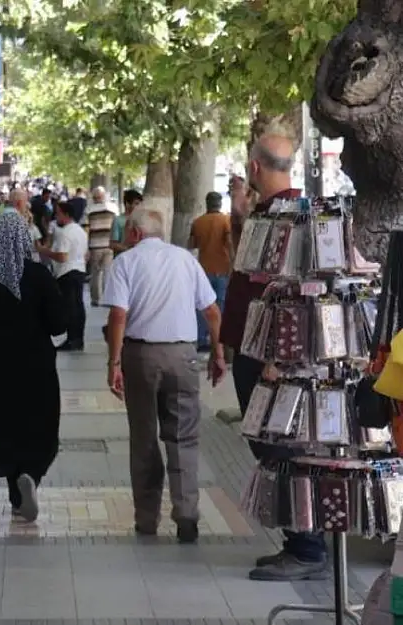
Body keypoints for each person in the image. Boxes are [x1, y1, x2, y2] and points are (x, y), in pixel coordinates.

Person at [221, 133, 328, 580]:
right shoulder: (268, 213)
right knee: (270, 449)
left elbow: (299, 288)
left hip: (272, 358)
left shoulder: (294, 216)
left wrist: (280, 356)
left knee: (282, 448)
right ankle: (298, 540)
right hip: (255, 350)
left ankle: (306, 547)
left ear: (255, 166)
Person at [103, 208, 225, 544]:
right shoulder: (185, 260)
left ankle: (147, 518)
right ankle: (187, 513)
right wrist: (217, 352)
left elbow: (118, 315)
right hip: (183, 355)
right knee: (184, 436)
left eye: (129, 230)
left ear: (136, 234)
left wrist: (113, 363)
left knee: (144, 437)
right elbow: (212, 311)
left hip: (140, 356)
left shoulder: (125, 263)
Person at [0, 211, 68, 520]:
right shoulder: (38, 275)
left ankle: (16, 495)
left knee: (4, 428)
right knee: (40, 425)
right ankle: (32, 473)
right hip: (35, 366)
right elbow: (57, 324)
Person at [37, 200, 88, 351]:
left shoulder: (66, 233)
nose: (56, 216)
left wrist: (44, 251)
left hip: (67, 272)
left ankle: (72, 339)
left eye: (58, 213)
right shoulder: (80, 230)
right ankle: (78, 338)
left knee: (70, 307)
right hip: (79, 269)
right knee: (78, 306)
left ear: (66, 214)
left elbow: (62, 256)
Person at [188, 191, 233, 351]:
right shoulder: (226, 220)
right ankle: (218, 340)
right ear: (219, 203)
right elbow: (228, 243)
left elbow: (191, 244)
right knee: (219, 305)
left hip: (204, 269)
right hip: (222, 269)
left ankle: (201, 340)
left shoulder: (198, 222)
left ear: (207, 203)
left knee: (202, 305)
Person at [85, 187, 117, 306]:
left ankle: (95, 299)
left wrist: (86, 247)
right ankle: (107, 299)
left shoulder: (89, 209)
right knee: (107, 272)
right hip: (109, 245)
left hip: (95, 245)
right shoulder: (113, 208)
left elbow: (86, 230)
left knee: (95, 273)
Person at [110, 189, 143, 256]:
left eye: (140, 204)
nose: (139, 206)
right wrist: (129, 250)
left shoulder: (142, 219)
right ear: (127, 204)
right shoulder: (118, 220)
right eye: (136, 203)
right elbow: (113, 244)